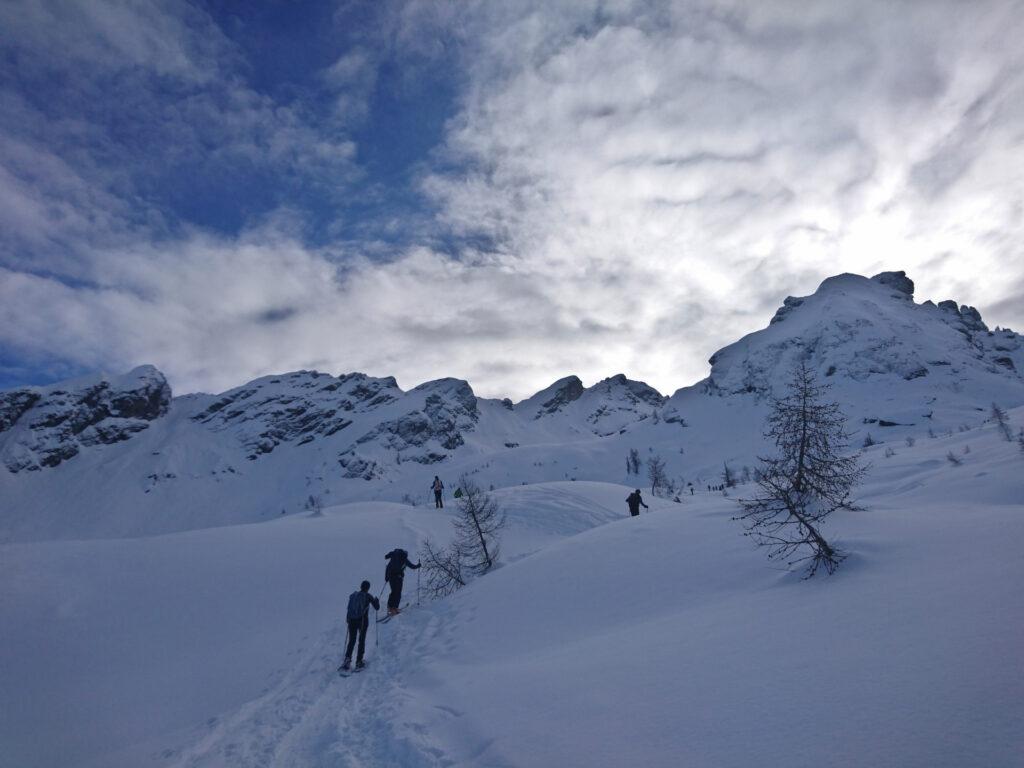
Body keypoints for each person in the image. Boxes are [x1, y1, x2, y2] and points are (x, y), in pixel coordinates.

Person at [342, 580, 380, 670]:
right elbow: (377, 608)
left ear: (361, 586)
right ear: (368, 588)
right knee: (361, 640)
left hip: (351, 620)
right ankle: (359, 662)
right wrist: (376, 601)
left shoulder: (353, 595)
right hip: (362, 621)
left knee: (352, 640)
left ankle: (347, 660)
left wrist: (348, 619)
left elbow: (349, 608)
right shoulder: (368, 596)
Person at [384, 548, 421, 616]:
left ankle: (390, 607)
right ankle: (395, 608)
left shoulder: (393, 558)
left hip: (391, 577)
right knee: (398, 593)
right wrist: (418, 565)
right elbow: (412, 566)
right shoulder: (404, 558)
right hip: (398, 578)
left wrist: (386, 578)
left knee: (393, 591)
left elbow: (388, 567)